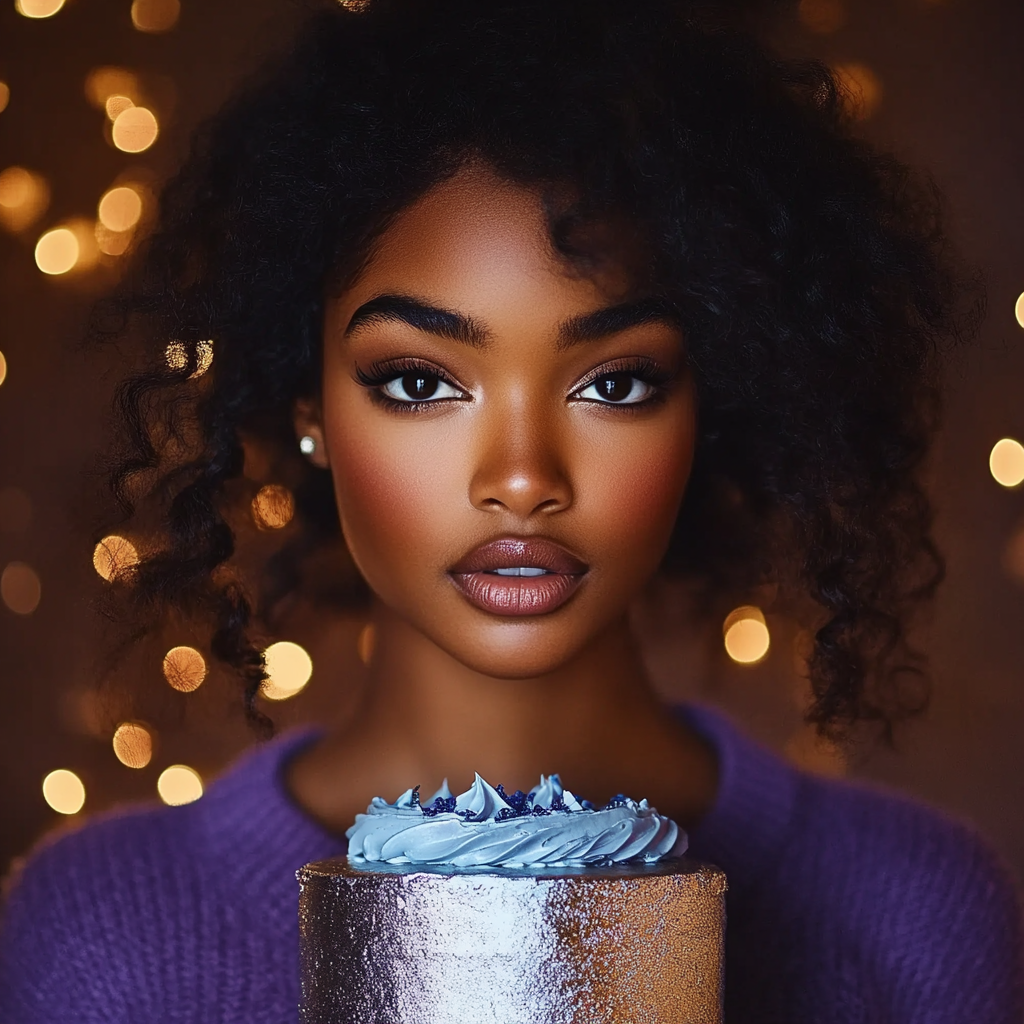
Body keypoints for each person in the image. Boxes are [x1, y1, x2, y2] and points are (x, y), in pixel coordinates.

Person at [1, 0, 1021, 1020]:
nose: (523, 477)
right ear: (309, 410)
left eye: (615, 384)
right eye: (417, 381)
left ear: (713, 401)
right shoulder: (103, 933)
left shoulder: (910, 913)